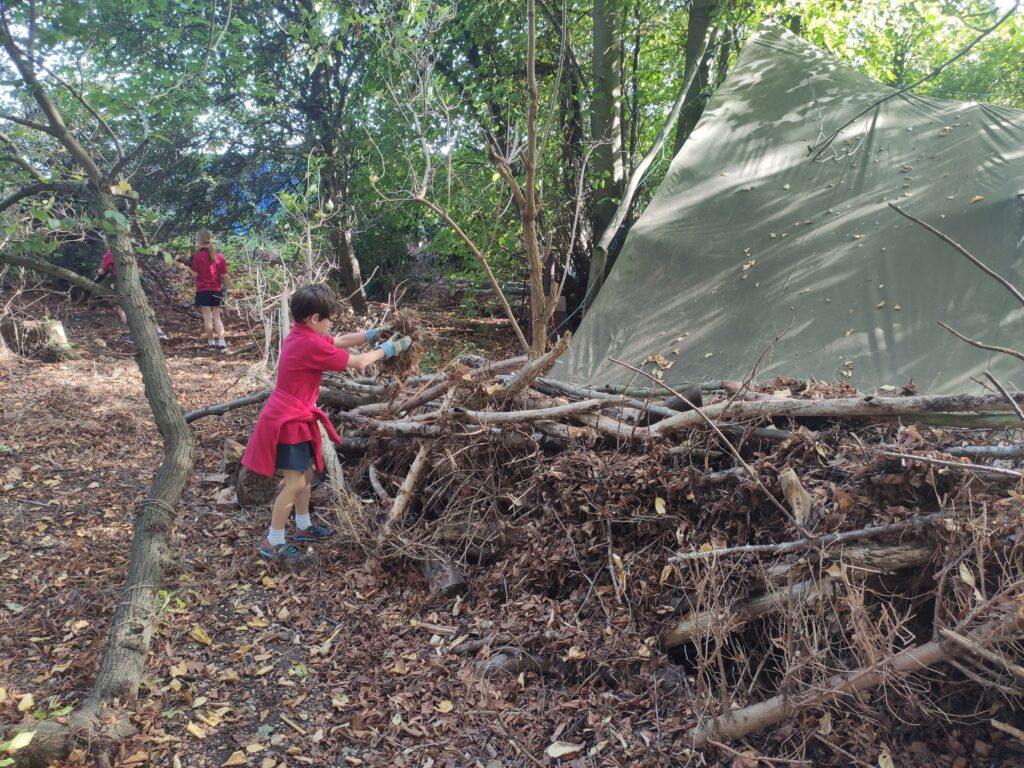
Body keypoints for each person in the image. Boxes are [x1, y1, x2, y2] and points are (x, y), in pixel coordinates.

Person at [241, 284, 411, 562]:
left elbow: (340, 341)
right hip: (287, 421)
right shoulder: (308, 344)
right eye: (329, 318)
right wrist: (388, 349)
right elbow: (358, 363)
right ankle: (272, 542)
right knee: (294, 483)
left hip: (294, 415)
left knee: (305, 477)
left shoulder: (302, 334)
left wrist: (371, 335)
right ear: (314, 319)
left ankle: (304, 526)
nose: (332, 323)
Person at [94, 247, 167, 343]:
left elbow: (102, 271)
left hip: (120, 282)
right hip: (135, 281)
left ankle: (135, 336)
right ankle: (159, 332)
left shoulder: (110, 254)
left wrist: (97, 273)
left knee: (122, 309)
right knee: (143, 307)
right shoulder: (130, 250)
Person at [188, 228, 229, 351]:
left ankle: (210, 343)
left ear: (199, 241)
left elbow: (195, 275)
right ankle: (222, 343)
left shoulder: (197, 256)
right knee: (217, 317)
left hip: (203, 291)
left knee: (207, 317)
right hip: (216, 290)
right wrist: (225, 289)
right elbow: (225, 276)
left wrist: (186, 269)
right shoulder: (219, 257)